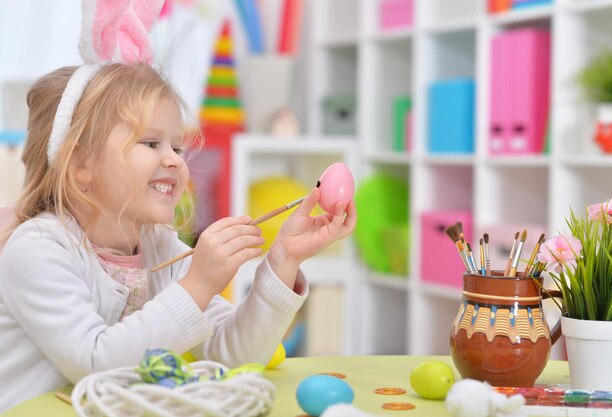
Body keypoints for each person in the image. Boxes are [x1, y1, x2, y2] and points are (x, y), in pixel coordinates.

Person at [0, 63, 357, 411]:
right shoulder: (37, 250)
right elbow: (97, 365)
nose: (174, 160)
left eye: (177, 147)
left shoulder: (159, 245)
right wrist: (198, 285)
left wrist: (283, 261)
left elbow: (231, 356)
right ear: (81, 165)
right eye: (151, 143)